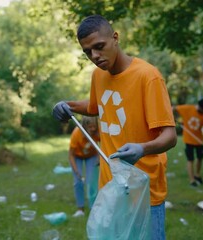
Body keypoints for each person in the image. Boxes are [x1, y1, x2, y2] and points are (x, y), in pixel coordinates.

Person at [52, 15, 177, 239]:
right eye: (88, 52)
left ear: (115, 38)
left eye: (99, 47)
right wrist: (67, 105)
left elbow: (170, 136)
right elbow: (95, 105)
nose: (95, 56)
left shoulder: (148, 77)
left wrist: (143, 148)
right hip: (111, 187)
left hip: (144, 190)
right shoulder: (98, 76)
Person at [173, 99, 203, 187]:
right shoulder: (187, 108)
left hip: (199, 141)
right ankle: (192, 180)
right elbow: (173, 108)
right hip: (188, 140)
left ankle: (197, 175)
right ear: (200, 107)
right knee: (190, 159)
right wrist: (172, 117)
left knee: (200, 158)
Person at [68, 116, 100, 217]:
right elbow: (71, 155)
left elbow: (104, 143)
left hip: (91, 156)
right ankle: (80, 209)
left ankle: (93, 209)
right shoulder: (76, 134)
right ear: (84, 126)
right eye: (90, 127)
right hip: (77, 156)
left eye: (94, 126)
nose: (93, 129)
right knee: (78, 182)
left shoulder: (98, 131)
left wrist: (99, 157)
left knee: (91, 182)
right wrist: (77, 171)